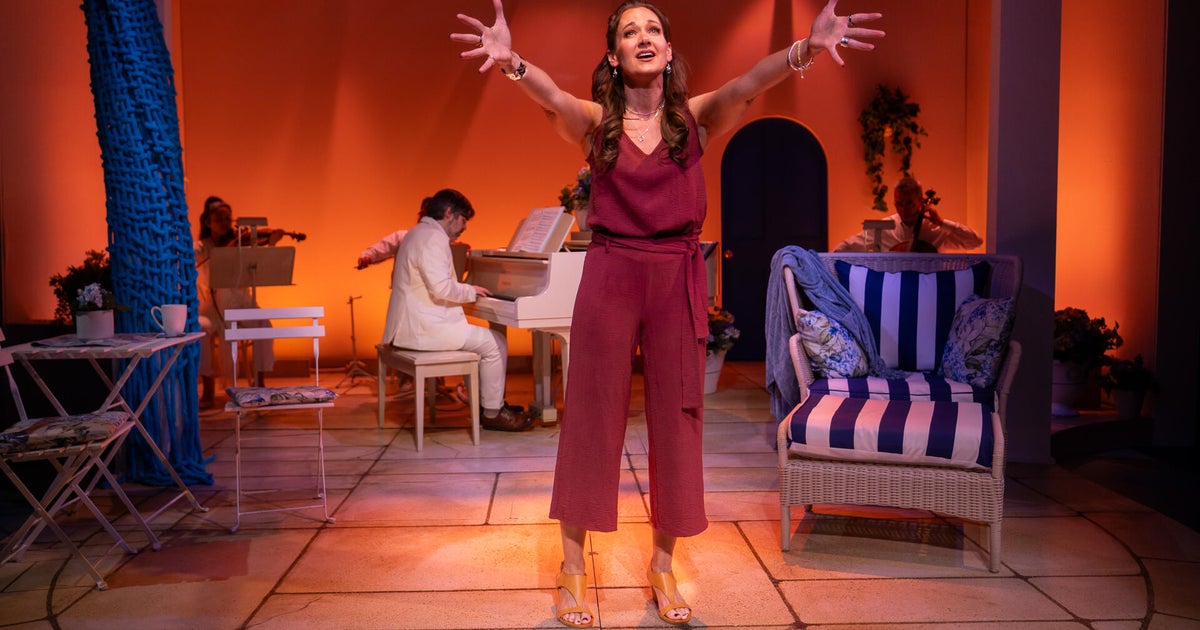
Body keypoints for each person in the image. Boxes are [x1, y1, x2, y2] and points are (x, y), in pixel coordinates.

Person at [452, 1, 883, 626]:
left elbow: (748, 84)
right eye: (630, 31)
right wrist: (512, 62)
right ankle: (572, 567)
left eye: (653, 28)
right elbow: (552, 98)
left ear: (669, 49)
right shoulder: (597, 124)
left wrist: (807, 50)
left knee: (678, 417)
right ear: (614, 55)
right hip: (611, 270)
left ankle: (661, 566)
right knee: (591, 413)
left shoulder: (694, 118)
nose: (644, 37)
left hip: (676, 272)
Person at [384, 189, 532, 432]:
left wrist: (468, 291)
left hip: (414, 324)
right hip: (423, 329)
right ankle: (493, 413)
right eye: (463, 219)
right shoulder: (433, 238)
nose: (464, 227)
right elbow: (441, 288)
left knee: (484, 342)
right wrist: (471, 291)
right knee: (496, 344)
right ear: (449, 213)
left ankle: (486, 405)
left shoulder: (417, 232)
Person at [194, 197, 282, 407]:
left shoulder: (241, 242)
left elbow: (259, 260)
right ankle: (208, 388)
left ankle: (260, 383)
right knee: (200, 328)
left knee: (264, 325)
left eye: (228, 218)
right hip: (214, 306)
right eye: (219, 219)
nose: (225, 223)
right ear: (207, 222)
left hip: (243, 303)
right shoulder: (202, 247)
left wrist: (271, 240)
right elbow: (192, 256)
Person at [833, 176, 982, 252]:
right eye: (899, 204)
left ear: (921, 201)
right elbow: (846, 247)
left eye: (909, 203)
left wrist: (942, 223)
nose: (904, 210)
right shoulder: (882, 228)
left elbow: (975, 242)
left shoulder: (936, 230)